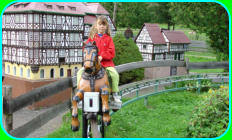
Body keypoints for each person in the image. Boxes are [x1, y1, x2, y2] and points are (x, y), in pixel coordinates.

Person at [77, 15, 121, 107]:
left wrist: (102, 56)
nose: (102, 26)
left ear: (106, 27)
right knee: (80, 72)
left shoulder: (109, 39)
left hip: (106, 63)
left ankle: (115, 93)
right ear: (96, 26)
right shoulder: (92, 38)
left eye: (104, 25)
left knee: (114, 74)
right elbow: (85, 48)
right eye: (100, 24)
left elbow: (111, 52)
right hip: (93, 64)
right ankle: (80, 93)